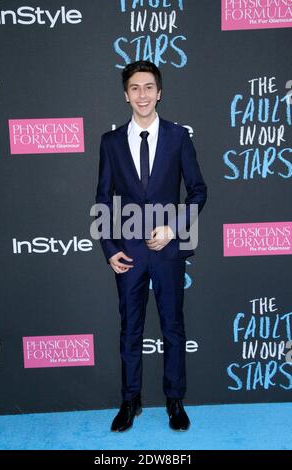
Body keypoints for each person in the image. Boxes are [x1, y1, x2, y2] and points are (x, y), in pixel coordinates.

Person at [95, 60, 207, 432]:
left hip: (168, 249)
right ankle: (131, 401)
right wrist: (109, 248)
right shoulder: (110, 142)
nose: (142, 94)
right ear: (125, 95)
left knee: (173, 326)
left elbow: (197, 191)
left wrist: (173, 229)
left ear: (159, 92)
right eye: (134, 88)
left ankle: (175, 401)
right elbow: (104, 198)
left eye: (148, 87)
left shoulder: (178, 137)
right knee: (130, 328)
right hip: (128, 250)